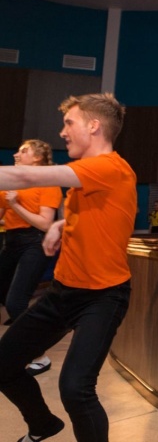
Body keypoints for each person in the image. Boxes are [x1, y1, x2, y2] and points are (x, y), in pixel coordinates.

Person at [0, 92, 136, 442]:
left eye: (68, 123)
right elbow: (100, 214)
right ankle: (43, 425)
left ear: (93, 126)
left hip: (102, 297)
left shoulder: (110, 167)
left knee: (76, 389)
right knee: (2, 364)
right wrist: (61, 225)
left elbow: (26, 177)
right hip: (63, 292)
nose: (62, 132)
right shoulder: (89, 176)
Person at [0, 140, 62, 377]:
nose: (16, 154)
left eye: (23, 151)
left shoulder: (47, 183)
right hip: (12, 241)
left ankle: (40, 356)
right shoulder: (12, 183)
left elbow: (45, 223)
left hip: (34, 242)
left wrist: (15, 204)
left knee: (16, 303)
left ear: (38, 157)